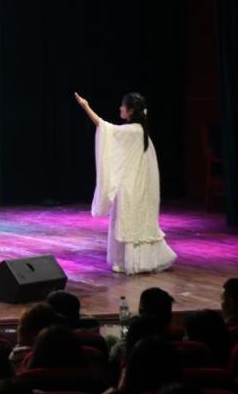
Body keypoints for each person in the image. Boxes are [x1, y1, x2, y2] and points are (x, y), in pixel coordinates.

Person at [74, 92, 177, 274]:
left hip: (132, 188)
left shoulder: (133, 131)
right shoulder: (140, 132)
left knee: (129, 222)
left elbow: (104, 127)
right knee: (134, 222)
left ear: (130, 111)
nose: (120, 108)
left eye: (123, 106)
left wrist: (86, 106)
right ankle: (130, 261)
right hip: (137, 187)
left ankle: (131, 262)